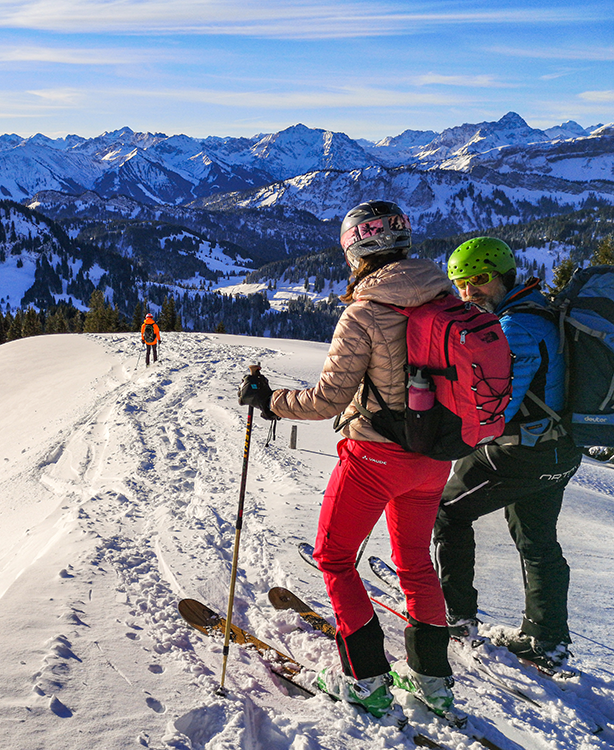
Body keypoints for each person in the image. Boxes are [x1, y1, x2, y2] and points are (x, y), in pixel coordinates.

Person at [239, 201, 457, 721]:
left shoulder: (365, 310)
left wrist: (269, 401)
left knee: (335, 558)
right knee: (415, 564)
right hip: (435, 459)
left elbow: (327, 400)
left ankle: (367, 681)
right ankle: (433, 680)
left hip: (375, 458)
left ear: (355, 247)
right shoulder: (447, 299)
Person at [433, 237, 581, 670]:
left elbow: (494, 411)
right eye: (460, 283)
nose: (468, 291)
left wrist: (438, 434)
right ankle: (547, 640)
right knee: (537, 541)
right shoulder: (542, 309)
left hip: (519, 453)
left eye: (479, 279)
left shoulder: (515, 327)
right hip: (559, 452)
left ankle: (456, 618)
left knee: (448, 511)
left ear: (503, 275)